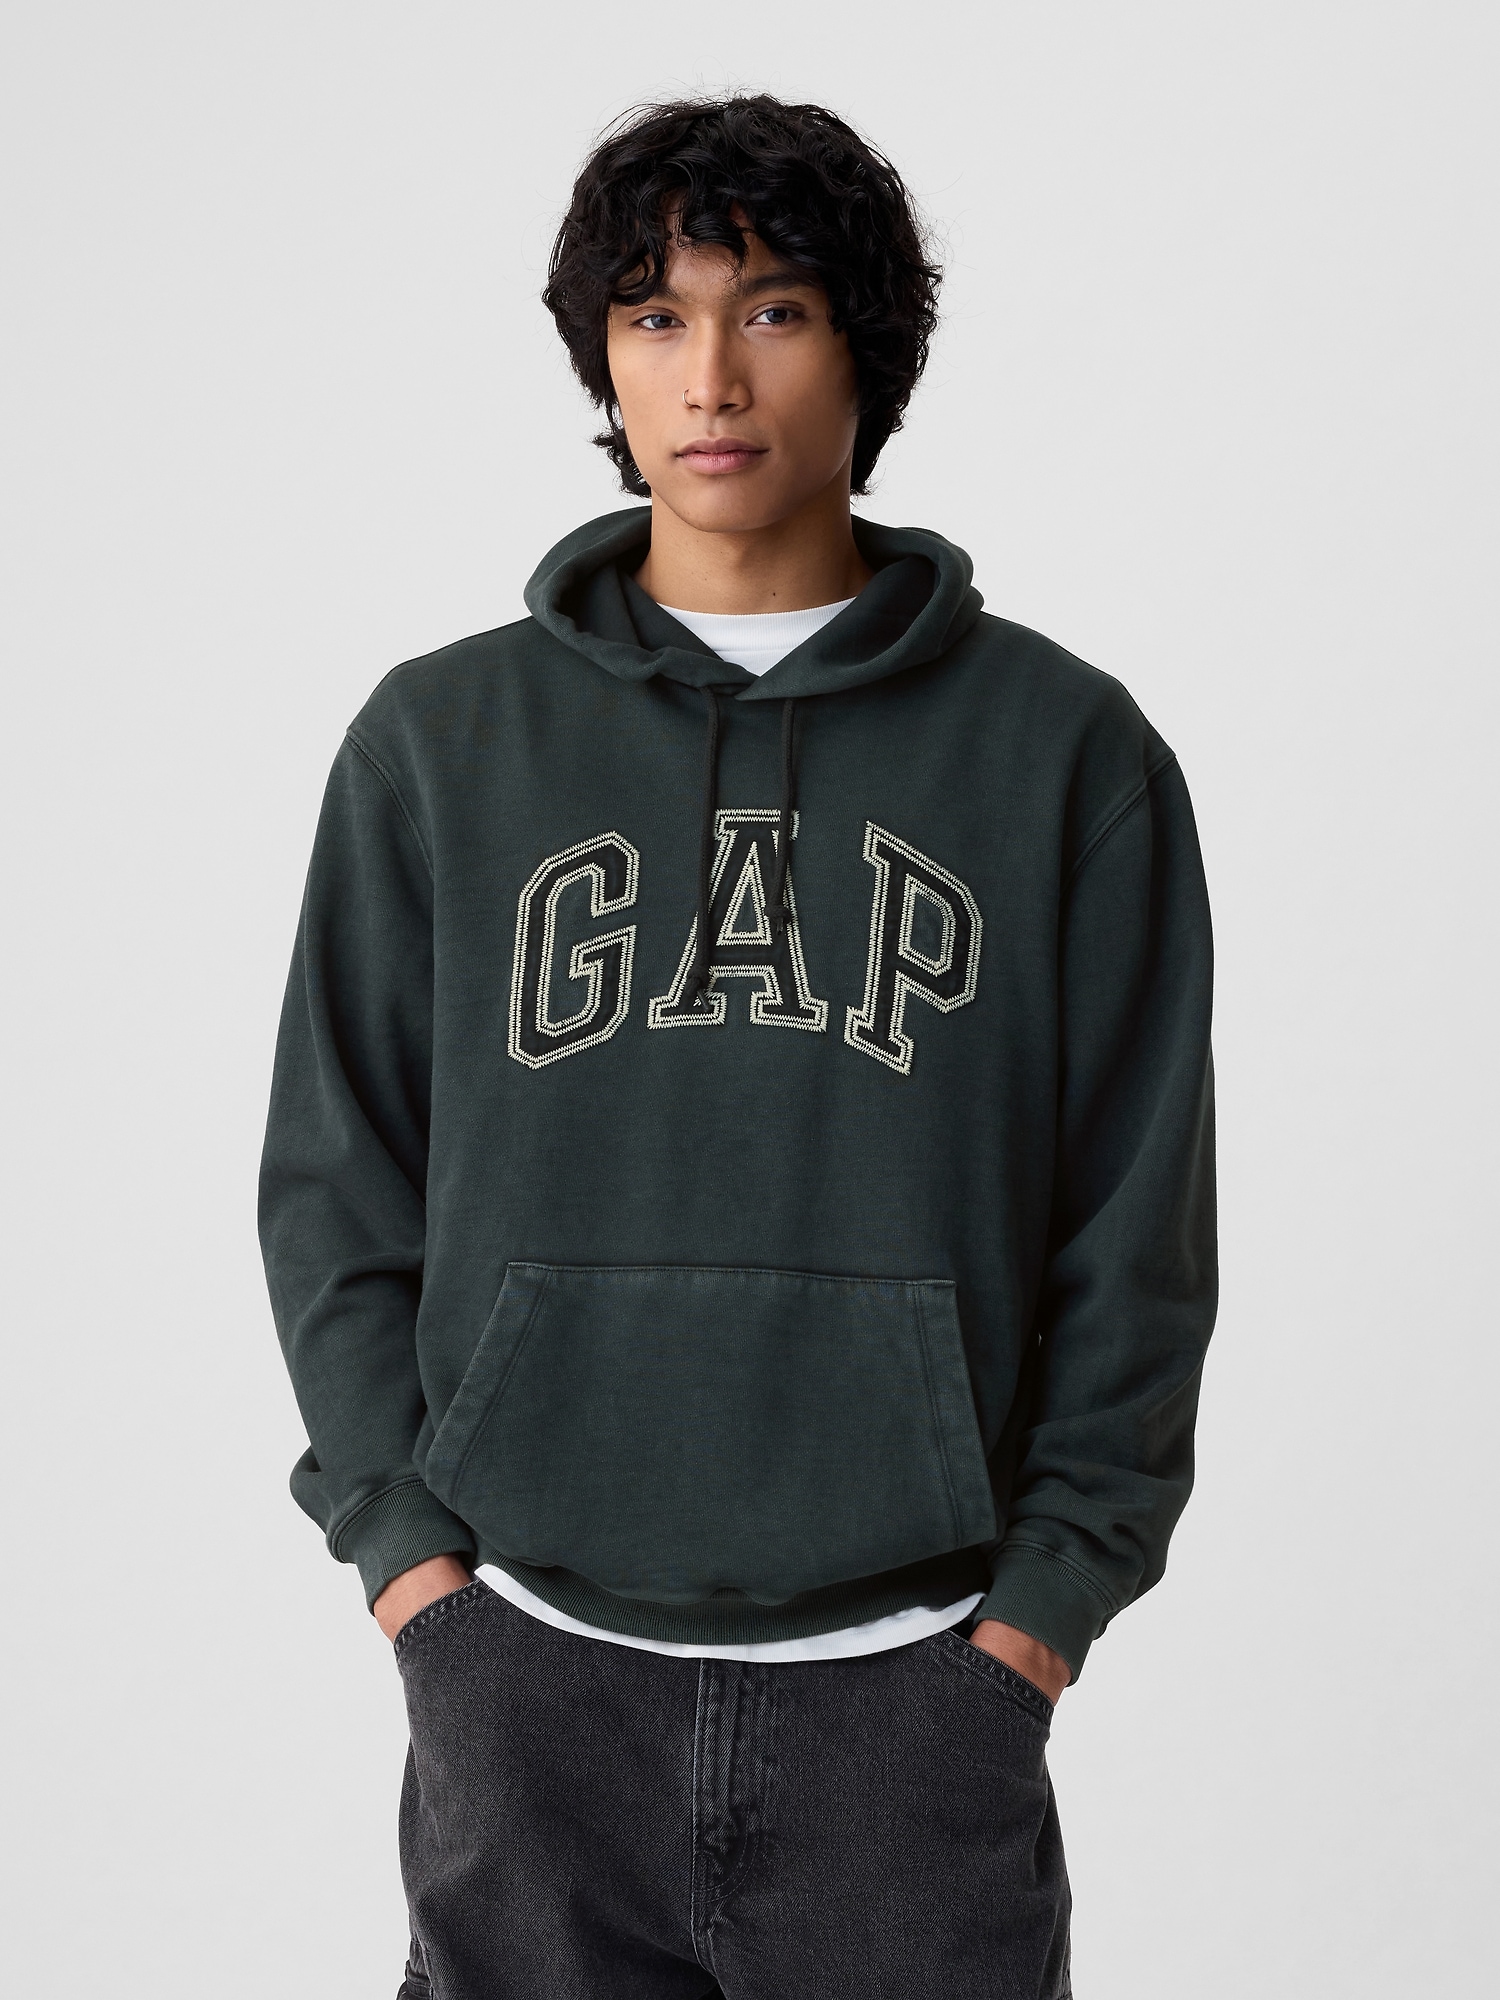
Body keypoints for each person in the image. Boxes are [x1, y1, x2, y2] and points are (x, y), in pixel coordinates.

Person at [259, 93, 1217, 2000]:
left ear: (870, 351)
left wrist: (1036, 1619)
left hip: (916, 1695)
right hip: (526, 1676)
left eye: (773, 310)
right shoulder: (440, 745)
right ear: (604, 361)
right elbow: (335, 1188)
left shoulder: (1065, 755)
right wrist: (413, 1572)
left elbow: (1139, 1234)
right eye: (654, 316)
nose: (708, 377)